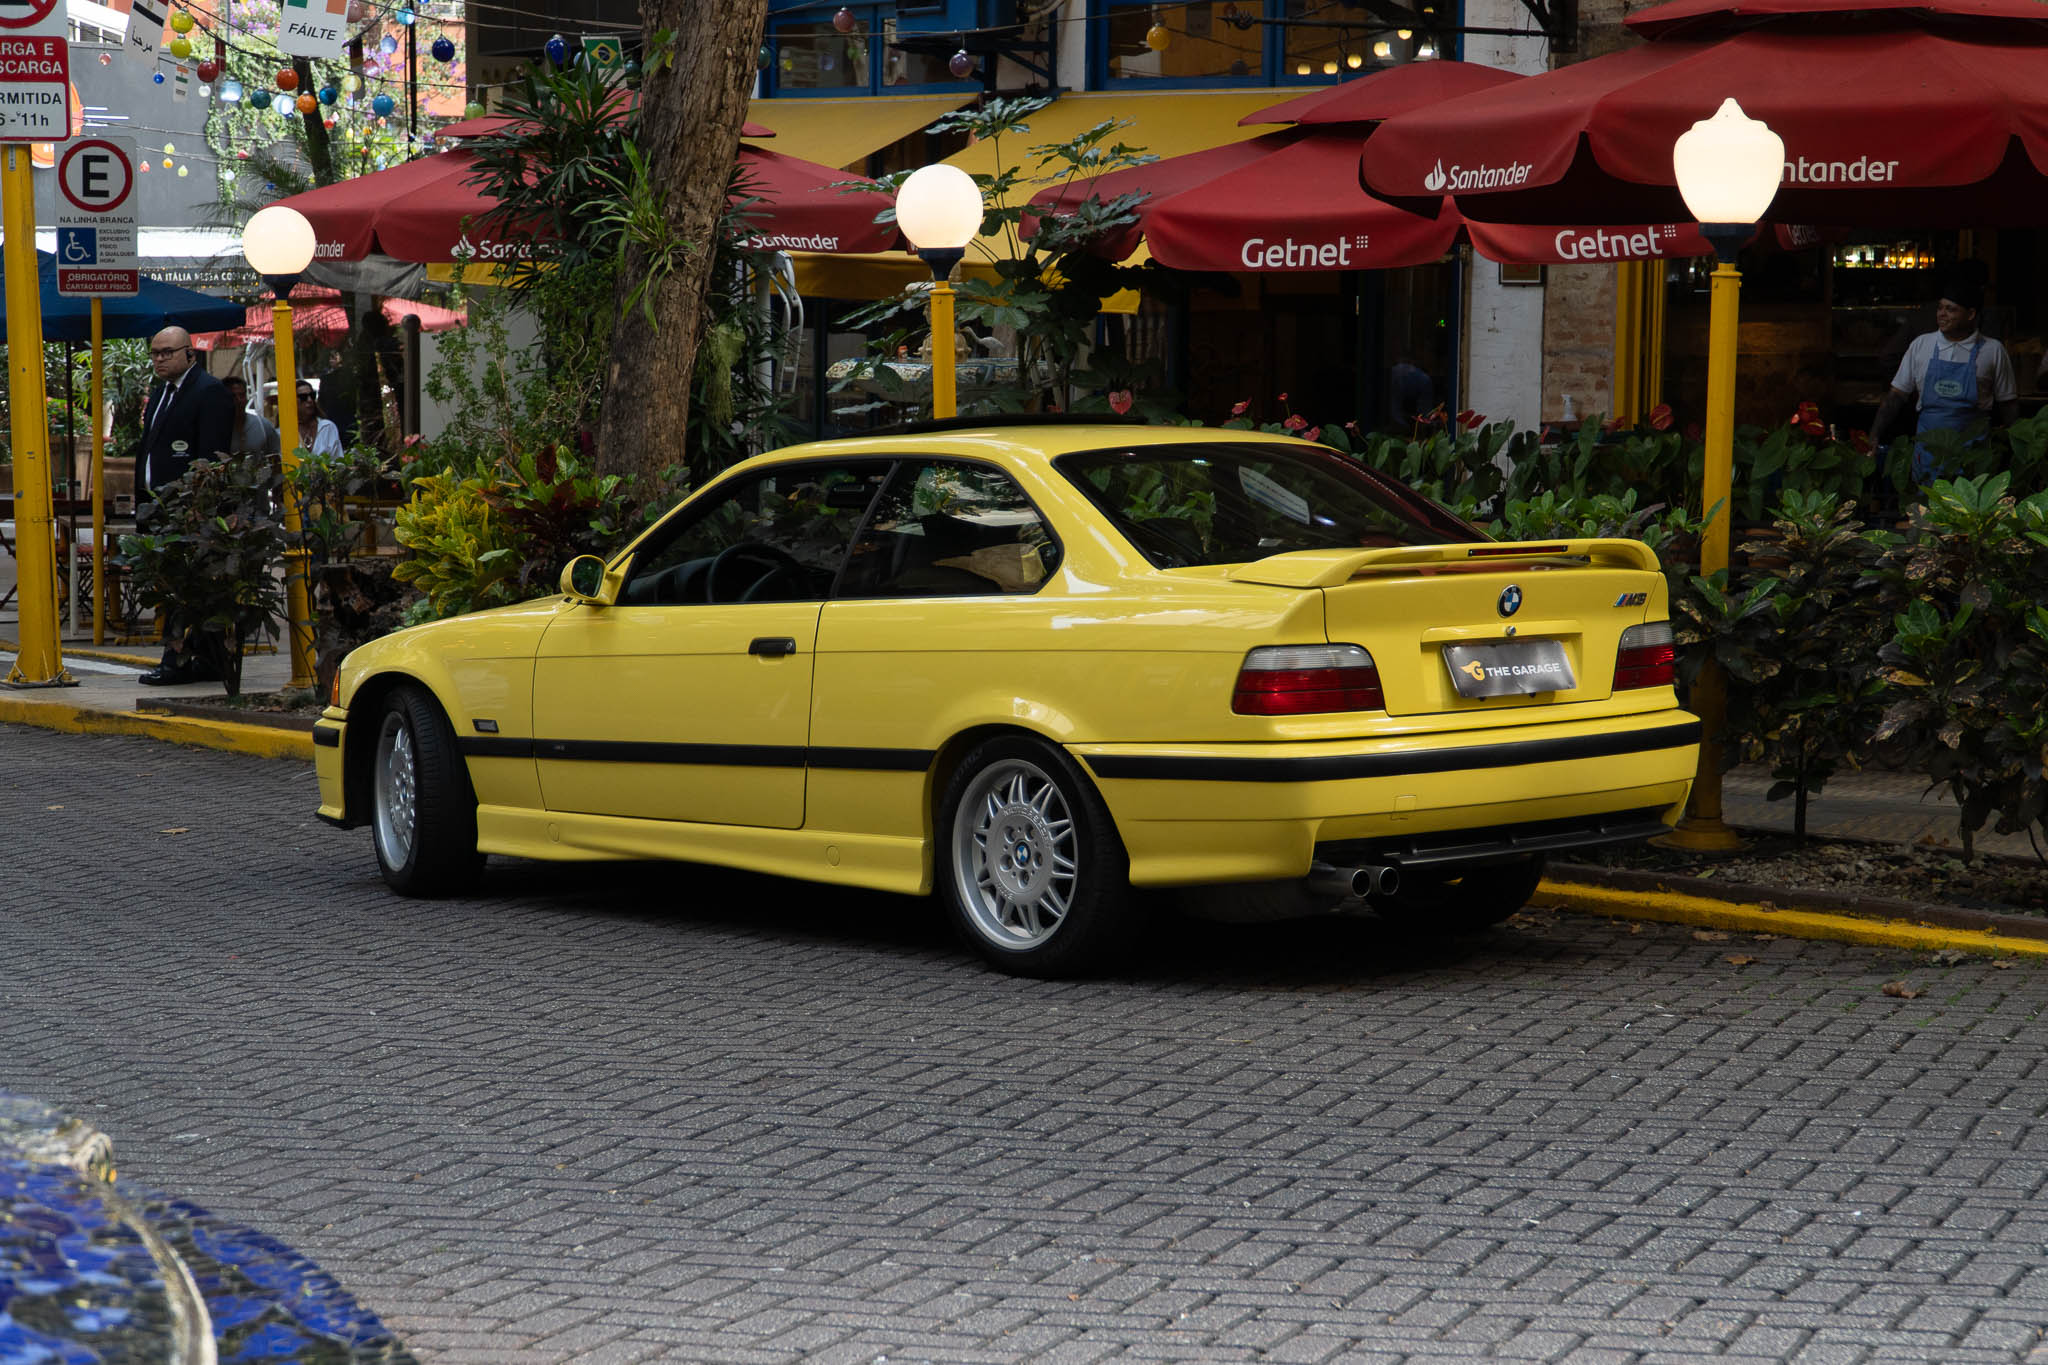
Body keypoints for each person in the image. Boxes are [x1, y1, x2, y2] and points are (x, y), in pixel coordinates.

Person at [134, 326, 236, 687]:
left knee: (183, 588)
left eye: (167, 352)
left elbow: (211, 458)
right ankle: (206, 659)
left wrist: (198, 509)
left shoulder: (208, 393)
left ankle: (176, 661)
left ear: (189, 354)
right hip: (159, 510)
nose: (159, 359)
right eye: (154, 353)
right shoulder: (162, 392)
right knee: (182, 589)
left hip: (190, 514)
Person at [1869, 280, 2019, 482]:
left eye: (1951, 309)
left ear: (1971, 314)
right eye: (1940, 308)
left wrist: (2017, 450)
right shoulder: (1921, 345)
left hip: (1973, 456)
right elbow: (1896, 395)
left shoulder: (1992, 350)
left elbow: (2008, 404)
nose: (1941, 314)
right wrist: (1875, 434)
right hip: (1928, 454)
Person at [222, 374, 281, 458]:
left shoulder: (262, 425)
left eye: (242, 395)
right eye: (233, 396)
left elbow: (276, 457)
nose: (238, 400)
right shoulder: (216, 429)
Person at [296, 381, 345, 457]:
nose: (309, 400)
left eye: (312, 395)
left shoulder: (327, 427)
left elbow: (338, 461)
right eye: (303, 397)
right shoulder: (284, 432)